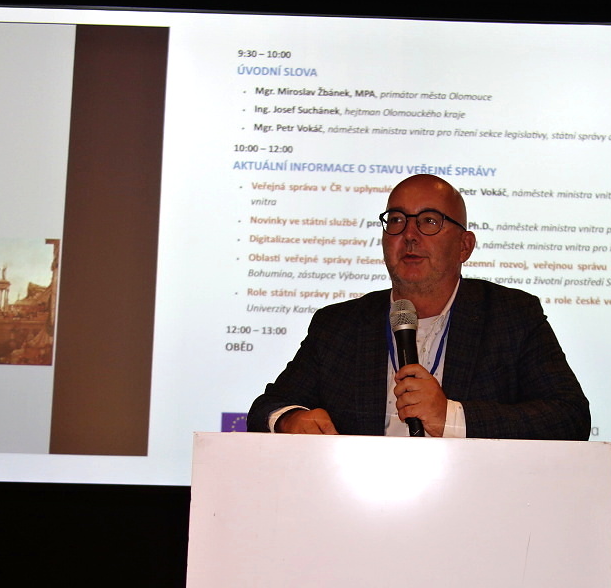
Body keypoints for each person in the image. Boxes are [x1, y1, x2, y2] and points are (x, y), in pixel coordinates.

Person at [248, 174, 589, 439]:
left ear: (464, 246)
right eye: (397, 220)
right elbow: (267, 408)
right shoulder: (340, 325)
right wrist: (290, 419)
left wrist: (449, 417)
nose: (409, 234)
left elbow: (569, 417)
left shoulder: (511, 315)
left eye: (429, 221)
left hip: (474, 496)